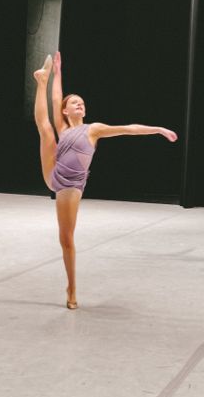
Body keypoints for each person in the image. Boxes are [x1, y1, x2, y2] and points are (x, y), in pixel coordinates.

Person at [33, 51, 177, 308]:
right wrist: (56, 72)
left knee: (66, 238)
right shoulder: (63, 128)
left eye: (82, 103)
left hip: (70, 186)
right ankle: (40, 81)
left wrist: (159, 129)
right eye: (74, 102)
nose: (80, 105)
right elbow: (57, 100)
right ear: (66, 110)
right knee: (45, 131)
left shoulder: (93, 129)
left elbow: (128, 129)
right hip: (52, 173)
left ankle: (71, 288)